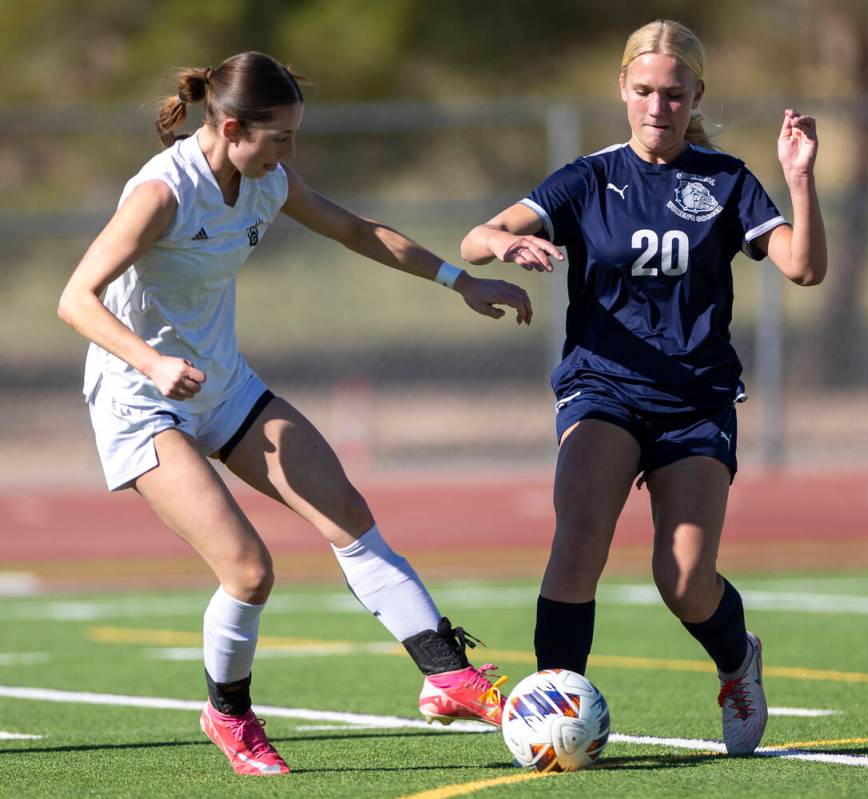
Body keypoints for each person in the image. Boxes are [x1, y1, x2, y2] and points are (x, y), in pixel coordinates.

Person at [57, 51, 529, 776]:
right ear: (232, 126)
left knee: (344, 506)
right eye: (277, 138)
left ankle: (447, 674)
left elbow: (356, 230)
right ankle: (229, 713)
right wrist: (151, 363)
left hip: (223, 385)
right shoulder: (161, 193)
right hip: (139, 400)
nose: (287, 154)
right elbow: (75, 298)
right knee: (248, 571)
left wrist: (457, 279)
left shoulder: (264, 180)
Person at [461, 19, 826, 755]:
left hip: (695, 399)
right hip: (602, 387)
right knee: (577, 542)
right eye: (642, 91)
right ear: (621, 90)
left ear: (696, 95)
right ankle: (552, 712)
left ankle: (736, 660)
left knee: (685, 580)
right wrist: (504, 242)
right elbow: (476, 235)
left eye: (672, 93)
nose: (657, 106)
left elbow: (803, 268)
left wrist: (799, 177)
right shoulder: (587, 177)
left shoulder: (724, 181)